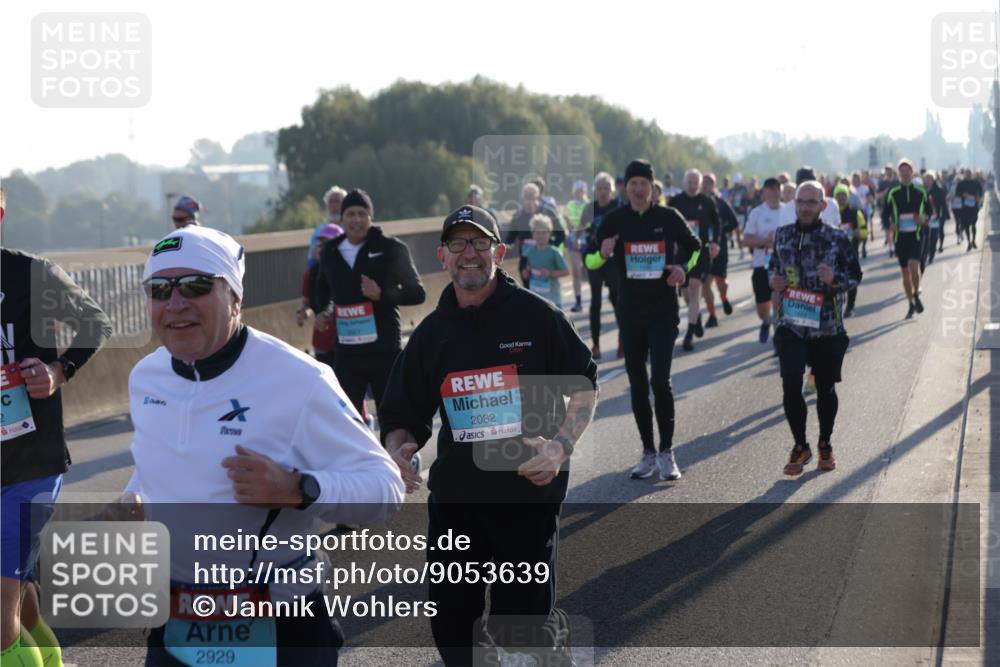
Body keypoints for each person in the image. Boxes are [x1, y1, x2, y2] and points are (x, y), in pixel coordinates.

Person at [130, 225, 405, 666]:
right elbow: (157, 466)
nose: (175, 303)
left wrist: (298, 489)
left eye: (196, 286)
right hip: (175, 623)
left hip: (279, 626)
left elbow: (385, 488)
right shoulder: (145, 376)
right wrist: (131, 502)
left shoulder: (300, 380)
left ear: (235, 298)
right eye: (160, 289)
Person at [379, 205, 598, 666]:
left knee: (520, 629)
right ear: (443, 256)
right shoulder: (431, 334)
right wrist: (399, 449)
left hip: (525, 500)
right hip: (457, 503)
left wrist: (561, 446)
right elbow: (402, 412)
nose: (469, 254)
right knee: (452, 625)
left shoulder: (537, 317)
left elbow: (582, 386)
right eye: (458, 244)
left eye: (479, 243)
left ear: (499, 252)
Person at [1, 185, 113, 667]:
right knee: (17, 595)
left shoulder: (31, 273)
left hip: (32, 462)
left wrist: (58, 370)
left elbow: (96, 322)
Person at [587, 159, 702, 480]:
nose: (638, 189)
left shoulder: (668, 217)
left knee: (659, 382)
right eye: (633, 183)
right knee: (637, 384)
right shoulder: (614, 220)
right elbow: (591, 261)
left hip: (663, 311)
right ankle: (648, 452)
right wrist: (605, 253)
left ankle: (667, 453)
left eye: (644, 183)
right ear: (625, 187)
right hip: (630, 312)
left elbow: (696, 247)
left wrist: (683, 269)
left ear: (652, 188)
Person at [770, 181, 862, 475]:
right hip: (792, 325)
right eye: (801, 202)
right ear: (794, 205)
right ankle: (800, 445)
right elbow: (774, 270)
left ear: (822, 206)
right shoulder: (782, 235)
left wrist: (834, 279)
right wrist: (774, 282)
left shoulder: (836, 238)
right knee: (790, 382)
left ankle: (825, 443)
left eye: (812, 202)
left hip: (826, 326)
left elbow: (855, 276)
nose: (806, 207)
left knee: (825, 389)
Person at [315, 189, 426, 417]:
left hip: (384, 349)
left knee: (393, 414)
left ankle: (395, 452)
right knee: (345, 416)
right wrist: (323, 311)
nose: (356, 220)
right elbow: (322, 291)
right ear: (342, 219)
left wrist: (382, 295)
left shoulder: (391, 248)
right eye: (351, 214)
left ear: (370, 217)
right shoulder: (330, 252)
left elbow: (417, 293)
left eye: (362, 214)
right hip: (347, 351)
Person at [665, 168, 720, 352]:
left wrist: (714, 243)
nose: (692, 186)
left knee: (695, 288)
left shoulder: (706, 202)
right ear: (684, 183)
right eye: (689, 182)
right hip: (680, 254)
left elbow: (716, 223)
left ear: (699, 184)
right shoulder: (675, 202)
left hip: (699, 253)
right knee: (687, 294)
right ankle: (695, 319)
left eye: (695, 183)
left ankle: (688, 336)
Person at [579, 172, 622, 360]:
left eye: (606, 188)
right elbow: (580, 232)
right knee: (595, 301)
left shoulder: (617, 207)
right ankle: (596, 345)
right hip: (595, 257)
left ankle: (623, 340)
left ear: (611, 190)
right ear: (595, 191)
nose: (603, 192)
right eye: (599, 188)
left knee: (616, 299)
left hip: (613, 259)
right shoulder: (589, 209)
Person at [884, 159, 930, 318]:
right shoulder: (893, 192)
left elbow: (929, 212)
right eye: (902, 170)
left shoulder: (921, 191)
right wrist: (889, 225)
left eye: (907, 170)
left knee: (914, 266)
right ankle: (910, 303)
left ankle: (916, 293)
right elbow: (885, 214)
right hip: (900, 237)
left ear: (912, 172)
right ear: (899, 173)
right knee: (905, 273)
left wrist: (923, 219)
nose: (905, 173)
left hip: (916, 235)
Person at [742, 177, 783, 343]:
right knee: (762, 308)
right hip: (761, 264)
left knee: (777, 300)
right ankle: (766, 322)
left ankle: (778, 338)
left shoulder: (788, 211)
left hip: (781, 265)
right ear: (764, 192)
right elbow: (746, 240)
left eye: (776, 189)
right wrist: (765, 241)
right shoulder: (757, 213)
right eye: (770, 189)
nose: (774, 193)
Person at [296, 222, 343, 368]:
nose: (322, 248)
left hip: (346, 340)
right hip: (321, 341)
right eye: (320, 243)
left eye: (327, 243)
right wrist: (302, 312)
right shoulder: (311, 273)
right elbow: (307, 302)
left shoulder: (348, 270)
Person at [504, 183, 566, 287]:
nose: (529, 201)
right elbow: (510, 239)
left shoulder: (548, 212)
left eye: (532, 197)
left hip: (546, 260)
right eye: (526, 197)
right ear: (522, 198)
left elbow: (561, 234)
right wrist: (506, 247)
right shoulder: (517, 216)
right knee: (530, 294)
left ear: (538, 197)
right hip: (527, 262)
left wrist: (548, 247)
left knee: (547, 293)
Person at [700, 172, 737, 327]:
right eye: (704, 182)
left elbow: (734, 223)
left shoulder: (721, 203)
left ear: (714, 185)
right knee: (706, 284)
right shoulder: (697, 203)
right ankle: (712, 315)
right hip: (703, 250)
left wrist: (720, 230)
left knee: (721, 281)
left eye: (710, 182)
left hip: (719, 248)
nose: (706, 185)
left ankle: (723, 298)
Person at [522, 214, 570, 308]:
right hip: (536, 297)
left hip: (553, 299)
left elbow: (566, 271)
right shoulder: (530, 252)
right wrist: (526, 273)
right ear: (533, 234)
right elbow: (528, 269)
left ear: (550, 234)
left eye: (544, 233)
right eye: (537, 233)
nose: (540, 236)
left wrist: (550, 273)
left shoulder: (554, 252)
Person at [833, 184, 866, 317]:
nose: (841, 198)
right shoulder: (829, 213)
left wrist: (859, 232)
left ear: (847, 197)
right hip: (834, 254)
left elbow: (865, 232)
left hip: (851, 252)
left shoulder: (855, 213)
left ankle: (850, 306)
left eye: (844, 195)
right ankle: (838, 304)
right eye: (838, 195)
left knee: (852, 280)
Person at [563, 180, 589, 311]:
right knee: (576, 271)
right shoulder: (570, 205)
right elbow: (566, 222)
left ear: (585, 192)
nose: (579, 193)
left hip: (587, 240)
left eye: (581, 191)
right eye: (577, 191)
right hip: (573, 240)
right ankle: (578, 301)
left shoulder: (589, 205)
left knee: (591, 272)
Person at [306, 185, 347, 267]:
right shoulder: (319, 230)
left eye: (337, 201)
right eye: (331, 202)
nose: (334, 205)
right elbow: (310, 260)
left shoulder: (350, 227)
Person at [922, 171, 949, 266]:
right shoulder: (921, 190)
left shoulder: (939, 190)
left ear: (933, 179)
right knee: (925, 237)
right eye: (926, 179)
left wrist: (944, 215)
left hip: (936, 217)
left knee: (934, 237)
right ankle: (926, 253)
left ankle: (932, 255)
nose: (928, 180)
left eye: (930, 178)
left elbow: (943, 204)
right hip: (925, 218)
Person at [955, 167, 984, 251]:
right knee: (967, 225)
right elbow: (957, 193)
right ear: (965, 174)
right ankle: (969, 242)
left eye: (969, 173)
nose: (968, 175)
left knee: (973, 224)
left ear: (972, 174)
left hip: (974, 207)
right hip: (965, 207)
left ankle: (974, 240)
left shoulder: (976, 183)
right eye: (967, 173)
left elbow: (981, 191)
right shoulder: (961, 183)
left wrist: (978, 197)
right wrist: (963, 194)